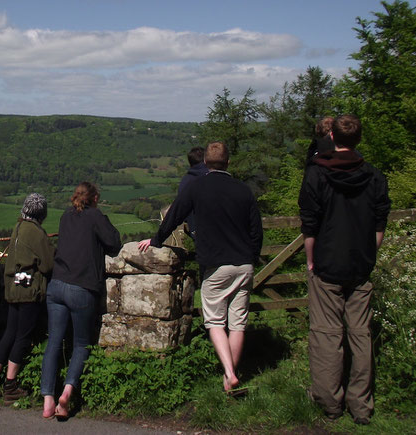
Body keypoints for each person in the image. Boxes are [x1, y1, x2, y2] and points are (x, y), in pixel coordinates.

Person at [139, 142, 262, 392]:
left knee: (215, 321)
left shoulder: (197, 187)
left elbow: (174, 216)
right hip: (244, 263)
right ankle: (231, 380)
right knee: (238, 323)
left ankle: (228, 371)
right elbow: (256, 231)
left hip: (216, 264)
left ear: (205, 163)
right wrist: (252, 256)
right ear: (228, 163)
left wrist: (156, 240)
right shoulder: (243, 190)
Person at [299, 114, 390, 425]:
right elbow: (380, 223)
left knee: (327, 333)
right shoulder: (375, 177)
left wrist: (311, 260)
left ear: (332, 138)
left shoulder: (316, 175)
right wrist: (369, 252)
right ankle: (361, 405)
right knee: (361, 333)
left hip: (326, 261)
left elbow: (309, 225)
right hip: (360, 264)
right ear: (358, 139)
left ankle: (329, 402)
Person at [40, 182, 121, 419]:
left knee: (54, 342)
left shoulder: (66, 216)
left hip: (56, 284)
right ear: (95, 198)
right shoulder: (95, 216)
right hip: (82, 286)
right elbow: (114, 242)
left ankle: (47, 398)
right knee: (80, 344)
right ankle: (67, 392)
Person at [0, 193, 54, 406]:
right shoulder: (35, 232)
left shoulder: (18, 227)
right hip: (28, 291)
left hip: (12, 289)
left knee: (9, 334)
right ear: (42, 213)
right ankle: (10, 385)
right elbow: (48, 264)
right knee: (22, 337)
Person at [163, 146, 209, 245]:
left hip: (198, 233)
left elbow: (178, 210)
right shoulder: (214, 178)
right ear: (206, 160)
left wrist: (157, 240)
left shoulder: (186, 182)